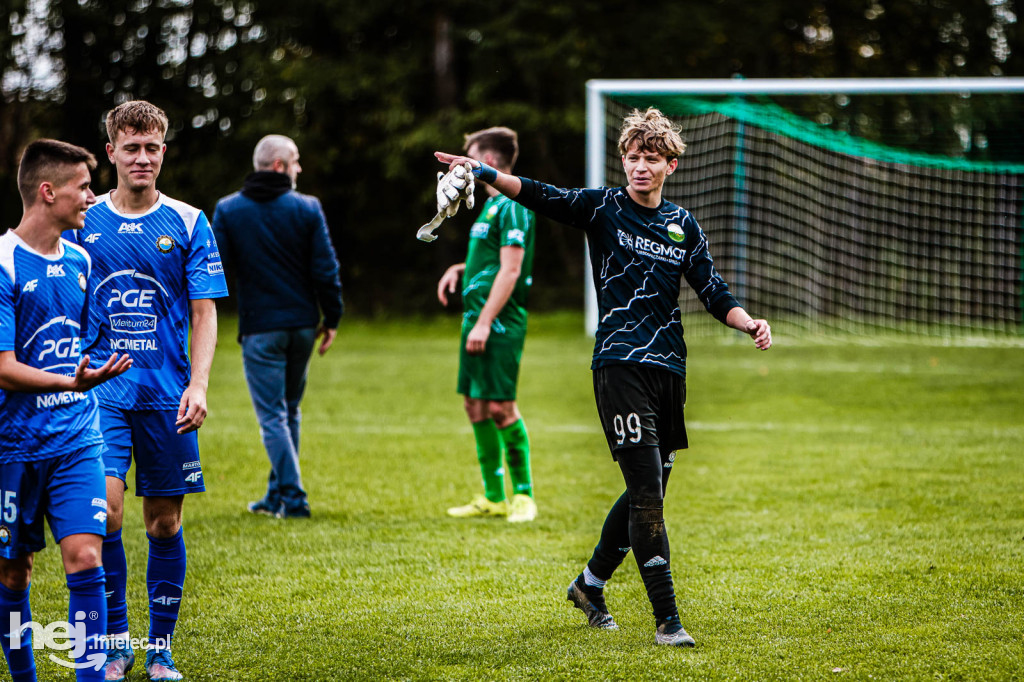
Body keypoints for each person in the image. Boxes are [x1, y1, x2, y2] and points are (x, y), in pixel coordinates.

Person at [435, 108, 772, 647]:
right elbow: (541, 193)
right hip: (618, 365)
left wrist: (748, 322)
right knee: (646, 494)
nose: (640, 166)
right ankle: (668, 622)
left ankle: (590, 585)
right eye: (633, 157)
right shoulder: (602, 208)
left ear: (672, 165)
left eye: (652, 158)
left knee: (652, 486)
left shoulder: (682, 224)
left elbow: (714, 291)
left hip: (669, 369)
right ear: (624, 161)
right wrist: (481, 172)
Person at [68, 101, 228, 681]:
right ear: (110, 151)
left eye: (152, 147)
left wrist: (200, 383)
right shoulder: (82, 219)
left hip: (167, 394)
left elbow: (205, 310)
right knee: (105, 516)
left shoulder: (188, 221)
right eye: (130, 147)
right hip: (101, 394)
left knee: (163, 523)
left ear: (164, 150)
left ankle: (159, 648)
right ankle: (115, 641)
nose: (142, 158)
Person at [0, 139, 132, 681]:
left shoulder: (80, 258)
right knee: (12, 573)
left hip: (77, 437)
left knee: (86, 559)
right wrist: (69, 379)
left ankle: (90, 676)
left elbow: (83, 344)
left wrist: (91, 376)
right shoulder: (4, 262)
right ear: (48, 191)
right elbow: (3, 365)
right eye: (83, 187)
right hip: (13, 446)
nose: (92, 197)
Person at [211, 134, 344, 519]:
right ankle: (275, 497)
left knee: (273, 416)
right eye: (296, 161)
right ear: (278, 166)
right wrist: (331, 317)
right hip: (303, 326)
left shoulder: (230, 210)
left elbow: (214, 267)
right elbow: (326, 269)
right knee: (288, 412)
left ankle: (294, 498)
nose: (299, 168)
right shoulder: (307, 208)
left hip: (260, 329)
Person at [436, 127, 538, 524]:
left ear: (489, 162)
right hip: (475, 319)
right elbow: (495, 262)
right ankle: (494, 497)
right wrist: (460, 268)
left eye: (469, 158)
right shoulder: (491, 207)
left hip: (498, 322)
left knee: (500, 406)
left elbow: (511, 272)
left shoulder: (514, 205)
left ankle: (524, 497)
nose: (461, 167)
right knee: (474, 404)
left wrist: (483, 322)